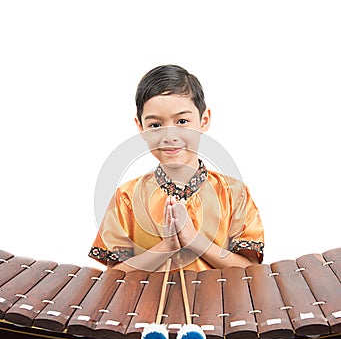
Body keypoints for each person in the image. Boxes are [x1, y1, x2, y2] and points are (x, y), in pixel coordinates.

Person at [89, 65, 264, 272]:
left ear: (203, 120)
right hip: (149, 305)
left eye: (182, 121)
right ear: (141, 128)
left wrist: (195, 241)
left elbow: (251, 272)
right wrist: (167, 246)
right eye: (155, 125)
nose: (169, 136)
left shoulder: (234, 194)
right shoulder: (126, 197)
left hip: (219, 305)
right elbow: (114, 276)